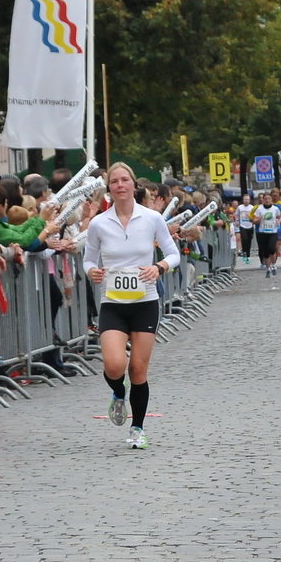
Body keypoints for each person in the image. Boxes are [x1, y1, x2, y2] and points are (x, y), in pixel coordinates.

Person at [83, 162, 181, 449]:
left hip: (145, 301)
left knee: (138, 368)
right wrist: (92, 271)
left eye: (125, 180)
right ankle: (117, 392)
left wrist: (159, 267)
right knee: (115, 366)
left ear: (133, 185)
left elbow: (173, 253)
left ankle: (137, 429)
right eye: (115, 181)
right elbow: (88, 259)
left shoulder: (151, 218)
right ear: (109, 187)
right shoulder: (99, 223)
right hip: (113, 302)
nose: (120, 185)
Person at [253, 190, 281, 276]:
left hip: (272, 231)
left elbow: (280, 217)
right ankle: (268, 269)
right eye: (266, 198)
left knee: (272, 248)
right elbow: (254, 220)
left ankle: (273, 265)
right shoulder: (259, 209)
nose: (267, 200)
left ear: (271, 199)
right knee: (266, 252)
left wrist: (279, 221)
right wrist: (259, 219)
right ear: (263, 200)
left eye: (269, 198)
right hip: (263, 232)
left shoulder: (275, 209)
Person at [235, 195, 255, 262]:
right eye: (245, 199)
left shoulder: (252, 207)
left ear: (249, 200)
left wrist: (250, 217)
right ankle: (244, 252)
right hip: (242, 225)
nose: (246, 201)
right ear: (243, 200)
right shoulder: (240, 207)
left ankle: (248, 255)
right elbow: (236, 215)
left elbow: (254, 216)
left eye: (247, 199)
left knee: (249, 240)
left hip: (250, 225)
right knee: (244, 239)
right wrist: (237, 221)